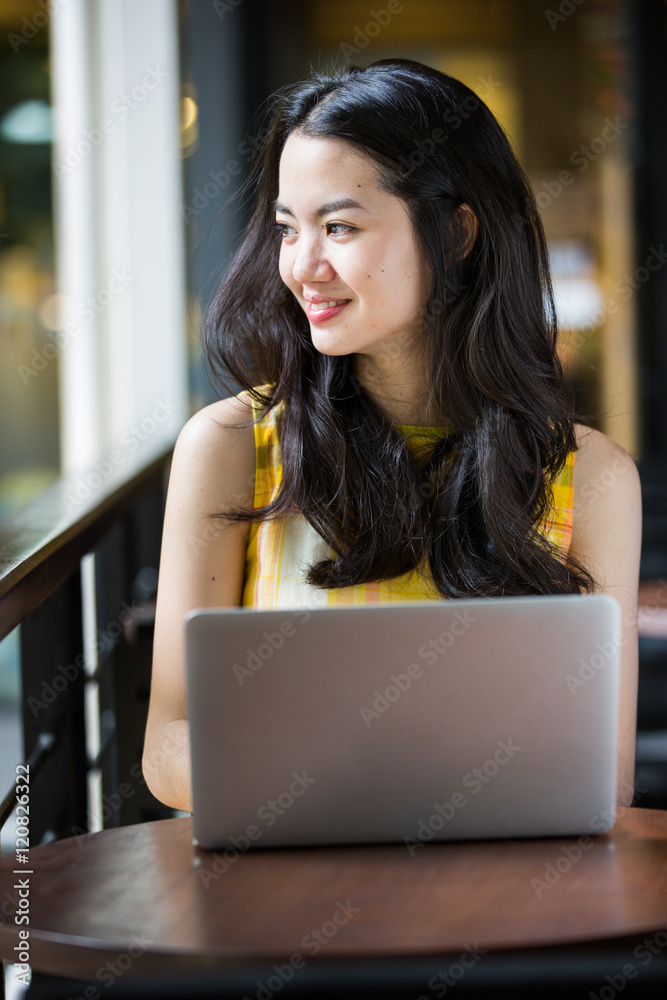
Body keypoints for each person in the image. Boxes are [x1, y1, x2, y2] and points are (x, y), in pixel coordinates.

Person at [142, 59, 641, 815]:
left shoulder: (590, 473)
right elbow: (167, 749)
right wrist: (377, 773)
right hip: (285, 904)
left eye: (338, 226)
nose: (302, 266)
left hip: (503, 900)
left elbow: (605, 774)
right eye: (287, 229)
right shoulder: (229, 448)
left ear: (456, 230)